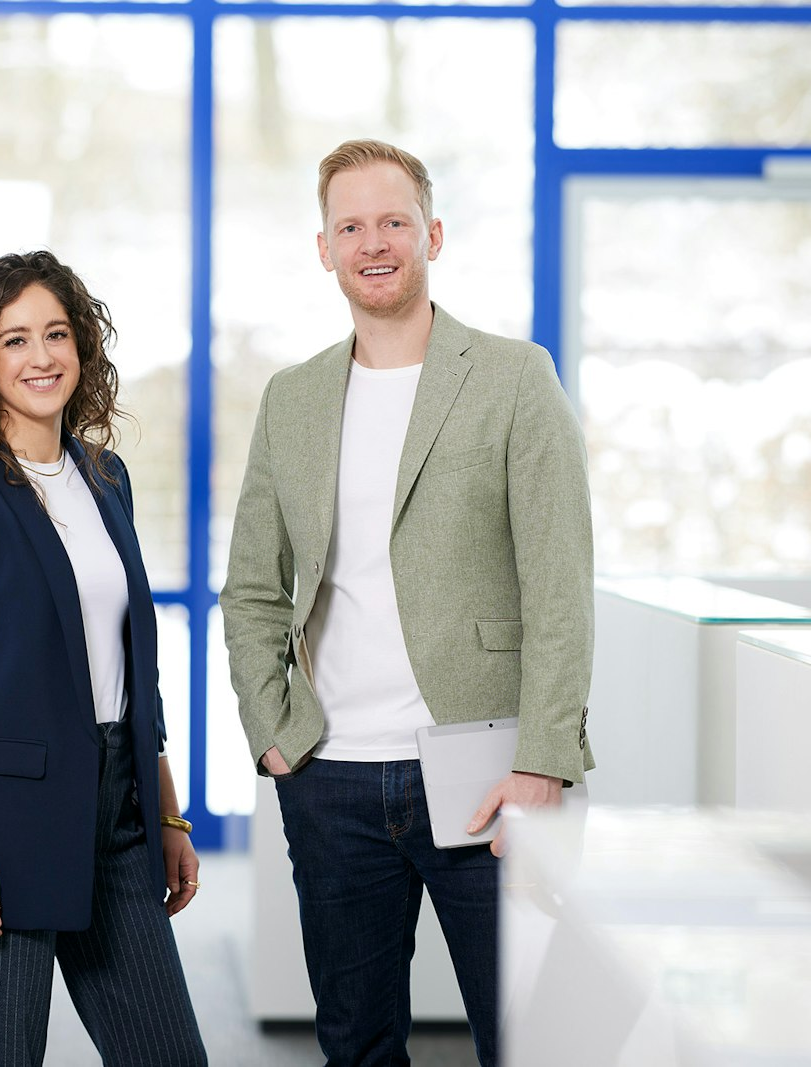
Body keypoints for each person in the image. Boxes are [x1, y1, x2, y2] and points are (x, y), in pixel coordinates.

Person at [220, 138, 595, 1067]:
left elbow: (559, 584)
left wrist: (543, 760)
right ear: (325, 249)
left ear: (433, 233)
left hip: (486, 771)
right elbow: (253, 586)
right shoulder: (292, 397)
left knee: (528, 1040)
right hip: (331, 775)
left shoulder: (514, 377)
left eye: (393, 221)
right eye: (350, 227)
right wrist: (274, 733)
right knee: (356, 1044)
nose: (374, 243)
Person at [0, 250, 208, 1067]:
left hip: (119, 814)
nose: (42, 356)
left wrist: (166, 814)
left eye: (57, 333)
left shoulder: (106, 477)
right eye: (16, 339)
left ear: (82, 347)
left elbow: (130, 672)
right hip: (1, 825)